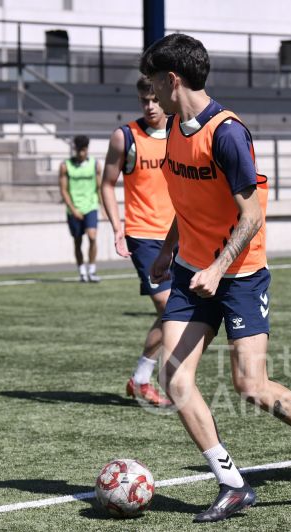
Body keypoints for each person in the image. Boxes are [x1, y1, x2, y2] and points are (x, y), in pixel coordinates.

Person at [140, 33, 291, 523]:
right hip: (192, 273)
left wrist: (217, 268)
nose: (150, 93)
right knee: (174, 378)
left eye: (154, 83)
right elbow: (190, 201)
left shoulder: (228, 134)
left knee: (250, 385)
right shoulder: (174, 127)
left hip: (240, 276)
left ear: (173, 80)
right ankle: (232, 484)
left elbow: (251, 216)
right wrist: (169, 251)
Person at [101, 76, 175, 407]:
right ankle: (147, 378)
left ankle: (143, 379)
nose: (149, 106)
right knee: (168, 306)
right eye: (144, 100)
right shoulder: (125, 136)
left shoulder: (180, 132)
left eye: (155, 100)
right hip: (143, 235)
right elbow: (107, 183)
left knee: (180, 311)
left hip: (179, 233)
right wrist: (117, 227)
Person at [59, 135, 102, 283]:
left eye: (84, 150)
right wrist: (73, 209)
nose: (82, 153)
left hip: (91, 207)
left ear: (87, 149)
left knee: (92, 237)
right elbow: (63, 190)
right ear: (75, 149)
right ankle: (82, 271)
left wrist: (103, 206)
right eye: (79, 150)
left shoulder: (95, 165)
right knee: (78, 241)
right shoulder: (65, 166)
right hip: (74, 209)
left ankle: (92, 270)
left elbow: (99, 187)